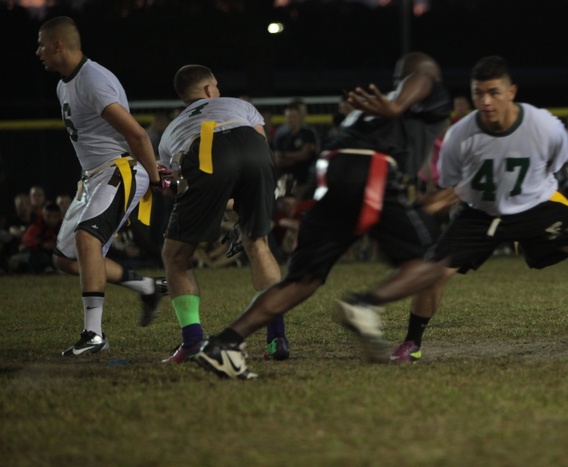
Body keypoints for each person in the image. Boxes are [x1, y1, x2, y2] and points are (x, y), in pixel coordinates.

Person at [325, 56, 568, 365]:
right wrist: (448, 199)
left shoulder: (545, 125)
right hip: (481, 211)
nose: (486, 101)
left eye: (494, 92)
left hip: (535, 204)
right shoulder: (460, 135)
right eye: (478, 93)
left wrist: (524, 192)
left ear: (511, 92)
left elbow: (553, 164)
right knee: (434, 270)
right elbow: (453, 182)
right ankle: (412, 341)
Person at [194, 52, 452, 379]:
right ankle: (364, 304)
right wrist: (399, 104)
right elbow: (421, 79)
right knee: (433, 263)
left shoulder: (371, 109)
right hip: (369, 167)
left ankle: (224, 344)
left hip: (331, 169)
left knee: (303, 280)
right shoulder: (422, 85)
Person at [36, 16, 168, 357]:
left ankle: (93, 335)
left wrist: (153, 179)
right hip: (94, 175)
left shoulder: (92, 79)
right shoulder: (65, 83)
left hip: (121, 168)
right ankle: (148, 286)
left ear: (58, 45)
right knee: (65, 259)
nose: (39, 51)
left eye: (42, 44)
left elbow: (136, 134)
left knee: (86, 239)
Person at [156, 64, 290, 363]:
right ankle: (276, 337)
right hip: (253, 147)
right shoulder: (240, 105)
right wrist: (240, 209)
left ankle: (192, 342)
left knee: (175, 256)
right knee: (258, 242)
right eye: (216, 86)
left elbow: (187, 183)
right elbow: (256, 146)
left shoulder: (170, 131)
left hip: (203, 149)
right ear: (207, 90)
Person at [272, 99, 319, 198]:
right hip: (285, 180)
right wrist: (298, 157)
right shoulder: (281, 136)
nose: (291, 119)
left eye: (293, 117)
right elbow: (278, 161)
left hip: (304, 180)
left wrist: (286, 155)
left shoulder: (308, 133)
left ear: (299, 117)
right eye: (288, 117)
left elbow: (305, 155)